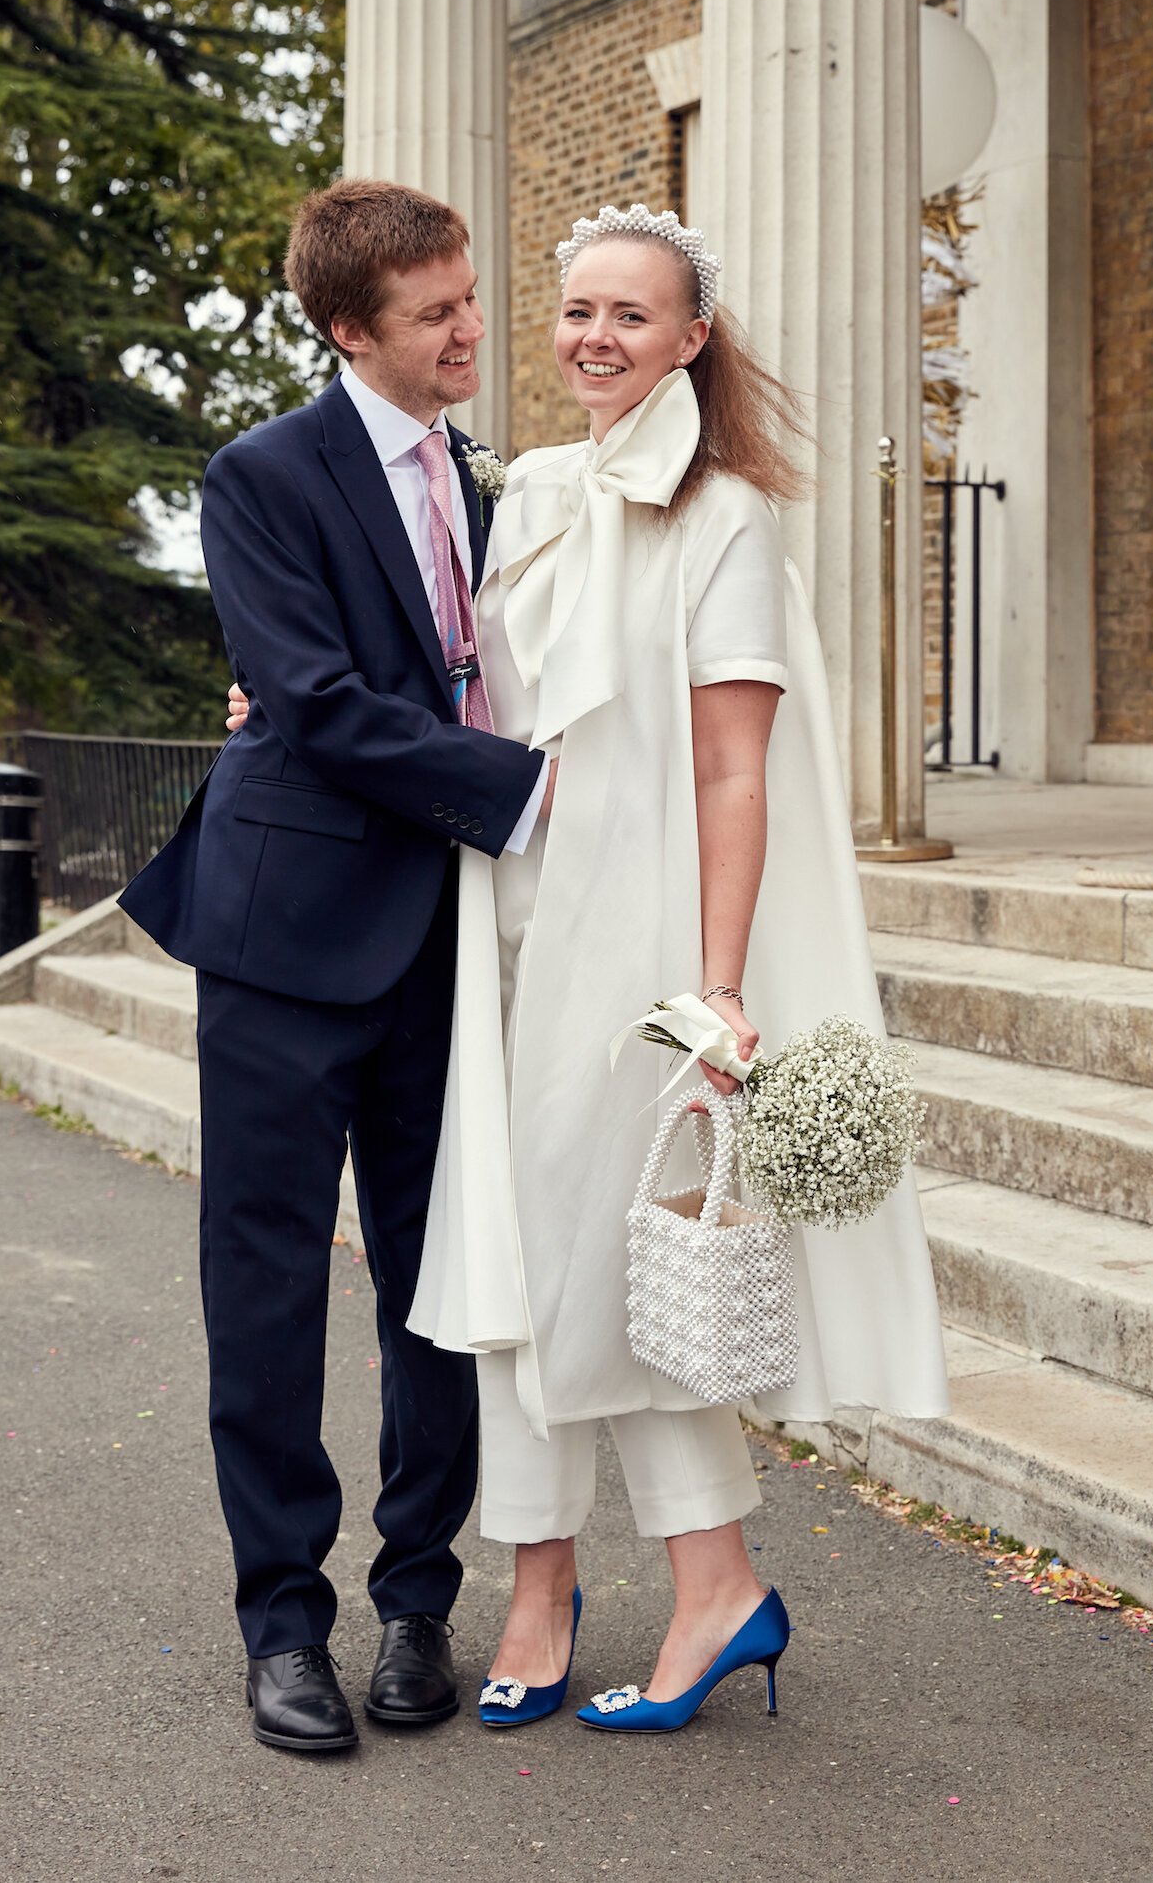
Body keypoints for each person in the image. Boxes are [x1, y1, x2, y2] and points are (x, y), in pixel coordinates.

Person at [403, 202, 951, 1733]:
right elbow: (455, 692)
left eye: (630, 316)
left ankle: (630, 1583)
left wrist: (713, 985)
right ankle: (631, 1582)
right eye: (577, 309)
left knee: (593, 1263)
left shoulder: (726, 518)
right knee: (512, 1253)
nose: (594, 337)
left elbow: (731, 771)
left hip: (640, 942)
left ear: (693, 338)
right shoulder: (523, 492)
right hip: (501, 922)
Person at [120, 180, 551, 1756]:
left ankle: (419, 1596)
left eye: (468, 296)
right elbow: (304, 694)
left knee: (441, 1283)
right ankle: (282, 1620)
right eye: (437, 311)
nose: (470, 329)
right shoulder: (261, 475)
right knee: (269, 1280)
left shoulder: (491, 482)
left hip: (442, 938)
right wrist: (524, 788)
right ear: (347, 329)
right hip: (286, 940)